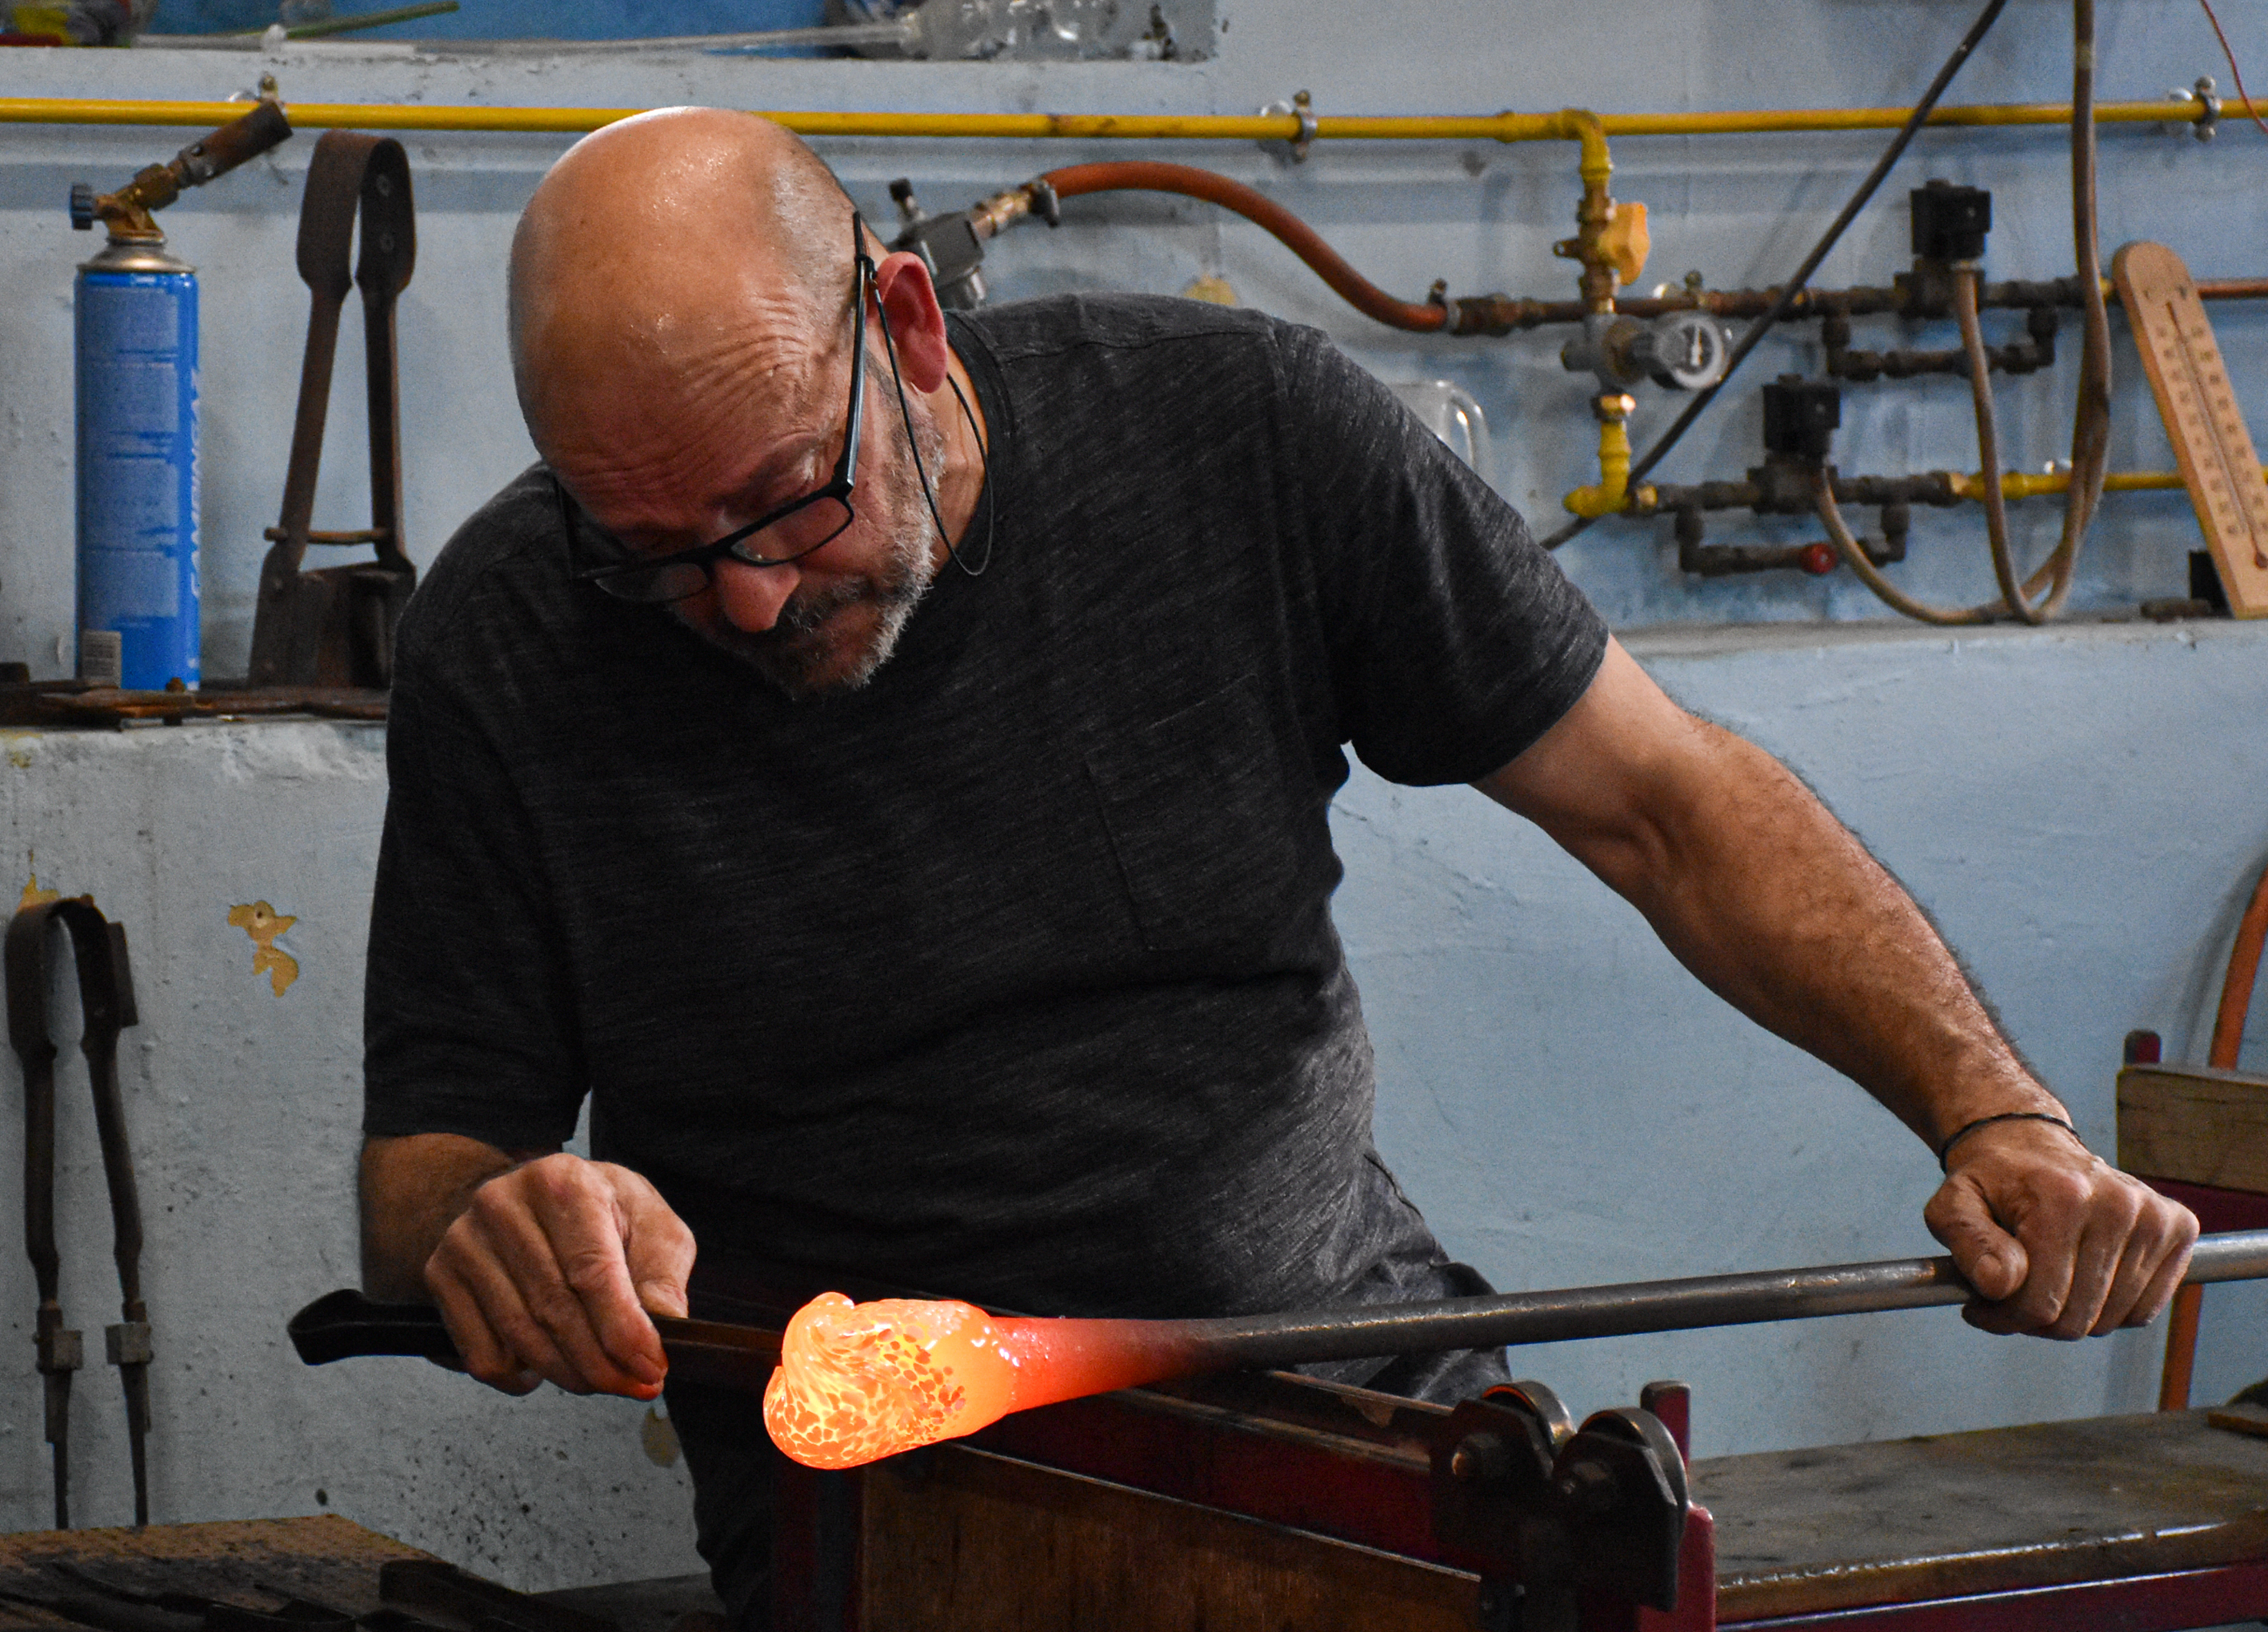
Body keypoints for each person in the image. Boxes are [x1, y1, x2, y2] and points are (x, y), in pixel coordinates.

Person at [357, 107, 2198, 1620]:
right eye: (655, 553)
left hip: (1358, 1411)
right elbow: (428, 1164)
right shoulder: (511, 638)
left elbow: (1667, 803)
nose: (742, 597)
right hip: (890, 1499)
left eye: (784, 503)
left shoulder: (1237, 436)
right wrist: (498, 1220)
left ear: (907, 331)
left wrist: (1992, 1118)